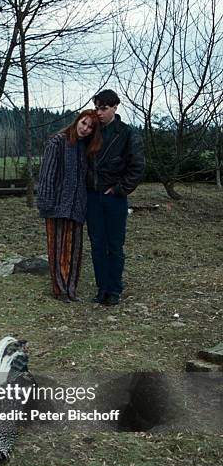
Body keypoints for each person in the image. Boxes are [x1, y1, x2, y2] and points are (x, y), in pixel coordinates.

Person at [86, 89, 145, 306]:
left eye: (104, 108)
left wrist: (119, 189)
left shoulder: (127, 133)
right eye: (97, 108)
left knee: (115, 245)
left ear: (114, 107)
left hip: (114, 198)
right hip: (92, 197)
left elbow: (137, 167)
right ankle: (102, 288)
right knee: (97, 245)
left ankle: (115, 290)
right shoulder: (92, 131)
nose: (99, 112)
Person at [37, 110, 102, 302]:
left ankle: (71, 289)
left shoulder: (86, 148)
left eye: (90, 127)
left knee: (74, 249)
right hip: (56, 204)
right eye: (84, 123)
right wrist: (46, 202)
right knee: (57, 248)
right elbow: (47, 174)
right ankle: (60, 290)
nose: (85, 129)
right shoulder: (57, 142)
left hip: (77, 205)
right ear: (77, 121)